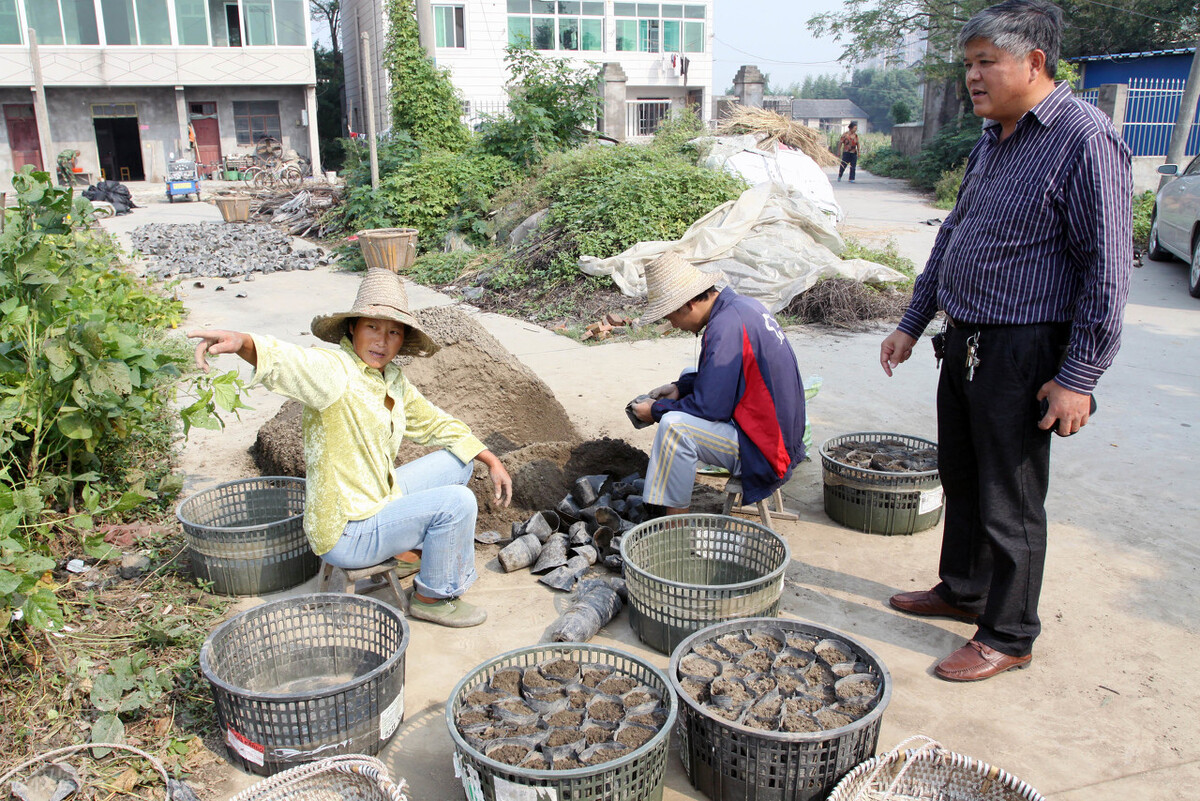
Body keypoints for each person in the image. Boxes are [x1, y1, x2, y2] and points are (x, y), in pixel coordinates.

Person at [878, 0, 1132, 681]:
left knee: (1009, 497)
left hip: (1023, 351)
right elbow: (953, 236)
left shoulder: (1085, 140)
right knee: (962, 478)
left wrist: (1079, 375)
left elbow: (1106, 270)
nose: (973, 77)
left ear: (1034, 63)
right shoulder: (993, 137)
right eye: (968, 64)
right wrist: (912, 322)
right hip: (964, 341)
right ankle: (964, 588)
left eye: (986, 62)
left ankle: (1010, 631)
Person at [189, 268, 513, 628]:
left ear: (402, 340)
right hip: (348, 530)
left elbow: (435, 422)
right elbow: (292, 362)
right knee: (458, 501)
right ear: (352, 329)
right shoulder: (335, 372)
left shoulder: (391, 380)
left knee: (458, 462)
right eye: (372, 327)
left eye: (393, 332)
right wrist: (243, 343)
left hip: (378, 497)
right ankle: (433, 597)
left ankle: (406, 551)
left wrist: (490, 458)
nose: (382, 340)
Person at [631, 253, 806, 516]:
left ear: (688, 304)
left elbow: (711, 408)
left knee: (673, 428)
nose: (673, 325)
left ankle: (672, 526)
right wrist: (680, 388)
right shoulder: (742, 307)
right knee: (689, 373)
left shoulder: (724, 328)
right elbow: (724, 376)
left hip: (767, 452)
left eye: (670, 317)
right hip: (783, 434)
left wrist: (655, 411)